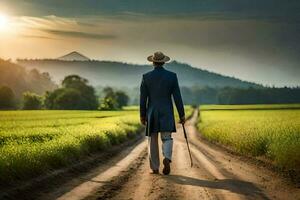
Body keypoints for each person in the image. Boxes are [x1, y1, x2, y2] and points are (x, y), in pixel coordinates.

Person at [140, 51, 185, 175]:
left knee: (152, 140)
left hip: (152, 112)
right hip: (167, 112)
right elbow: (177, 97)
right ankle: (167, 158)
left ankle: (155, 168)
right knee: (167, 138)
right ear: (164, 62)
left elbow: (143, 98)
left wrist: (142, 115)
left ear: (153, 62)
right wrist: (182, 114)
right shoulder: (172, 76)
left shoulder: (146, 77)